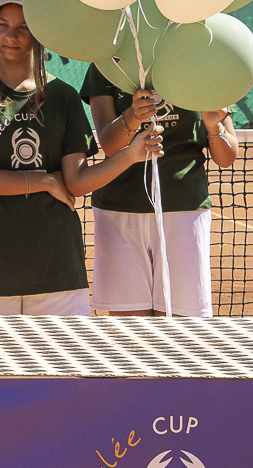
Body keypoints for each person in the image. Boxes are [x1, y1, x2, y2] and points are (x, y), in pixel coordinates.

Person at [0, 0, 162, 315]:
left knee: (63, 354)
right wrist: (44, 181)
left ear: (40, 34)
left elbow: (76, 182)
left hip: (58, 272)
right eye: (2, 25)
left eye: (23, 27)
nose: (11, 36)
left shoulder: (63, 98)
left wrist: (131, 155)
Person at [80, 64, 239, 317]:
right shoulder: (107, 61)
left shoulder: (205, 59)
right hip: (119, 213)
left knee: (182, 331)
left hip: (185, 212)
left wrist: (213, 127)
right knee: (130, 333)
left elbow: (227, 157)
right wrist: (132, 116)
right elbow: (109, 145)